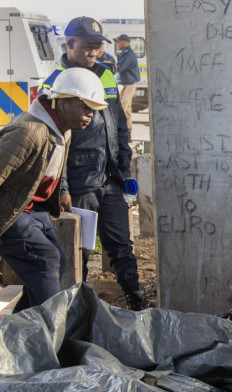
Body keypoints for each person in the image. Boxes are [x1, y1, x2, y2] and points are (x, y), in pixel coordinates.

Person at [41, 16, 146, 311]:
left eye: (98, 48)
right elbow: (53, 143)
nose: (93, 53)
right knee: (79, 250)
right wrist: (61, 188)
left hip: (110, 176)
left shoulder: (106, 75)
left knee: (121, 245)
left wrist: (125, 168)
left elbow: (119, 126)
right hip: (77, 181)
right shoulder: (55, 82)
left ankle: (137, 302)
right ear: (70, 43)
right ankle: (77, 308)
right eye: (88, 47)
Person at [0, 68, 108, 313]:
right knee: (45, 261)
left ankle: (25, 327)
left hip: (33, 209)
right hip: (13, 212)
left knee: (55, 259)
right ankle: (53, 329)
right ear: (63, 103)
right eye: (85, 107)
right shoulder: (29, 132)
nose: (90, 115)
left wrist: (60, 192)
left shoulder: (62, 129)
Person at [114, 34, 140, 136]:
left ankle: (122, 132)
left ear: (125, 42)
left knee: (122, 107)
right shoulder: (126, 53)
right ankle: (128, 132)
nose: (117, 44)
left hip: (128, 84)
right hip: (126, 83)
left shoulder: (127, 54)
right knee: (127, 109)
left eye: (118, 41)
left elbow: (120, 67)